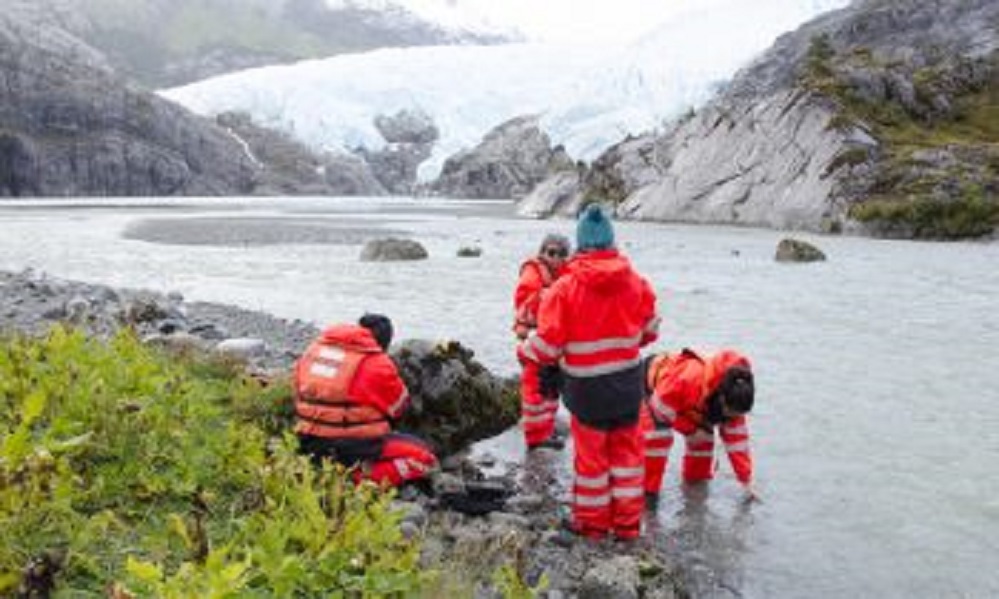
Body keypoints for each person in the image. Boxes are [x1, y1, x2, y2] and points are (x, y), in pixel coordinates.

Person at [519, 204, 661, 540]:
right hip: (628, 385)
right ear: (611, 241)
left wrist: (527, 350)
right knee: (628, 458)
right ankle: (628, 528)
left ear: (580, 244)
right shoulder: (636, 282)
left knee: (592, 462)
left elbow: (548, 347)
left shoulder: (563, 289)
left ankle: (593, 526)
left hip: (586, 391)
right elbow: (650, 330)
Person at [293, 313, 438, 488]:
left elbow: (296, 389)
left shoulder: (314, 350)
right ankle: (356, 479)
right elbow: (399, 407)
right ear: (385, 342)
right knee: (424, 458)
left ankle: (321, 468)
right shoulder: (378, 363)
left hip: (308, 438)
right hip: (352, 445)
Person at [641, 349, 757, 504]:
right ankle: (648, 495)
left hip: (687, 404)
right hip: (650, 386)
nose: (732, 418)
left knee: (704, 440)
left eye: (737, 415)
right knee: (659, 437)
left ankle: (694, 491)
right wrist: (691, 430)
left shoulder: (736, 400)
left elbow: (737, 445)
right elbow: (658, 407)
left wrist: (746, 482)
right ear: (722, 398)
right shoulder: (690, 379)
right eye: (730, 413)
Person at [513, 233, 571, 450]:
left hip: (555, 345)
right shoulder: (532, 272)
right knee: (534, 391)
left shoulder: (567, 274)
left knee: (552, 390)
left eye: (561, 254)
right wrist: (552, 296)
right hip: (534, 341)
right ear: (542, 253)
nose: (555, 258)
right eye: (551, 252)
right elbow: (525, 302)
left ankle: (545, 432)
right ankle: (534, 438)